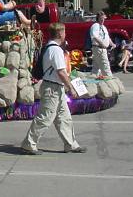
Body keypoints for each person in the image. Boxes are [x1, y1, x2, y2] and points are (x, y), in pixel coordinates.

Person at [21, 22, 86, 155]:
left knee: (64, 117)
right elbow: (61, 72)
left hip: (56, 88)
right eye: (64, 32)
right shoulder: (55, 50)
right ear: (60, 34)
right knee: (45, 117)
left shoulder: (49, 47)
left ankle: (71, 144)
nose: (65, 34)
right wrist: (71, 88)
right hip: (52, 88)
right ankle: (29, 143)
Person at [89, 11, 115, 78]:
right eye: (101, 19)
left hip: (103, 48)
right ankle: (110, 81)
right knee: (105, 65)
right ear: (98, 18)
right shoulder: (95, 26)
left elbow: (107, 37)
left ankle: (93, 81)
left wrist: (112, 44)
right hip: (99, 48)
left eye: (104, 19)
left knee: (96, 68)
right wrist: (102, 44)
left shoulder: (103, 27)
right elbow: (94, 37)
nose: (103, 20)